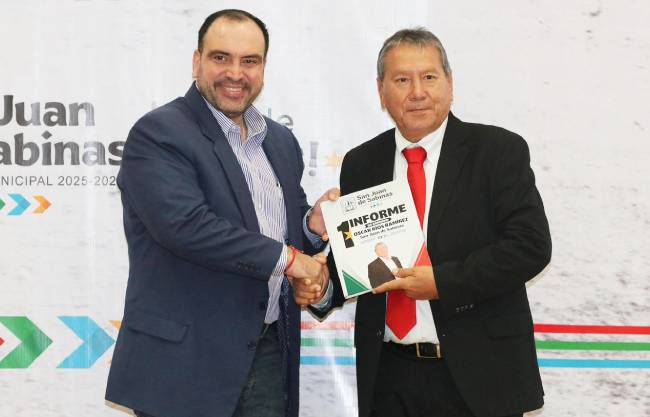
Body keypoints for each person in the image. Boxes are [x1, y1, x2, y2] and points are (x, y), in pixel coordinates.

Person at [301, 27, 552, 417]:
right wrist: (319, 288)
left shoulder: (497, 151)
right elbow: (360, 262)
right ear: (381, 91)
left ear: (450, 83)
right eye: (402, 80)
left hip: (481, 377)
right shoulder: (362, 163)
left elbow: (530, 247)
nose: (417, 92)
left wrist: (442, 283)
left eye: (429, 77)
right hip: (388, 376)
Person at [105, 9, 335, 417]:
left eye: (250, 61)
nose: (235, 73)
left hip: (267, 351)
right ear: (197, 61)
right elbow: (185, 226)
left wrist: (310, 226)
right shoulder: (159, 133)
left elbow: (282, 232)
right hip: (186, 362)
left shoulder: (280, 141)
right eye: (221, 58)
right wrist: (291, 260)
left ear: (263, 68)